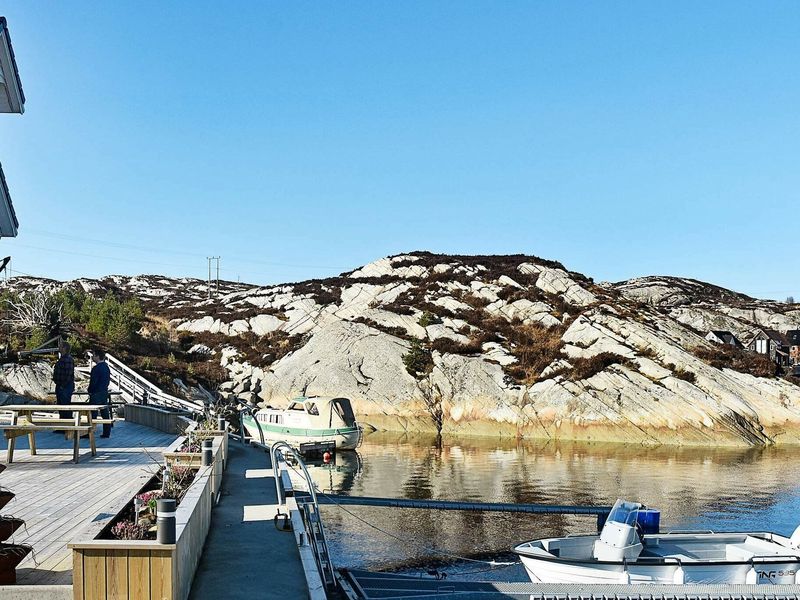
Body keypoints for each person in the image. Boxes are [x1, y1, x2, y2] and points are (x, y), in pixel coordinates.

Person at [88, 348, 112, 438]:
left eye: (93, 355)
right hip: (104, 392)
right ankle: (107, 432)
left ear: (98, 356)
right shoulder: (106, 367)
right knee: (105, 413)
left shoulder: (96, 368)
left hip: (96, 393)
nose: (92, 357)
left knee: (92, 414)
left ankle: (89, 432)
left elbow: (93, 382)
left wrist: (90, 391)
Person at [52, 340, 75, 424]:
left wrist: (63, 385)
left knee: (66, 406)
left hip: (65, 387)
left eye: (60, 346)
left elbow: (68, 374)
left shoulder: (68, 359)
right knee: (61, 406)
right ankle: (62, 425)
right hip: (60, 386)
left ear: (64, 348)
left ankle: (68, 425)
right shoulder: (62, 358)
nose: (59, 348)